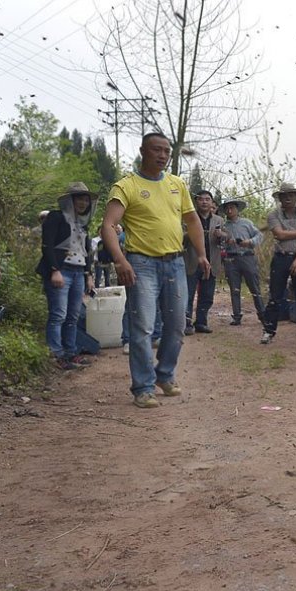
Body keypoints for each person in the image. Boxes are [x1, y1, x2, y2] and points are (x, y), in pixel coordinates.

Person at [100, 132, 211, 408]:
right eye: (156, 150)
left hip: (175, 262)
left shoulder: (177, 184)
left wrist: (202, 255)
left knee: (176, 326)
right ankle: (143, 387)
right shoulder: (126, 186)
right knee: (143, 327)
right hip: (141, 264)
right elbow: (108, 226)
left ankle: (165, 374)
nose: (162, 156)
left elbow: (193, 221)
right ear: (142, 151)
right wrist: (120, 260)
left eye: (166, 152)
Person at [35, 182, 99, 370]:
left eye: (86, 199)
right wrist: (55, 269)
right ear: (70, 200)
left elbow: (86, 251)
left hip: (78, 272)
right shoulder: (56, 217)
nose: (83, 202)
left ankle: (71, 353)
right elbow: (47, 245)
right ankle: (56, 354)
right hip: (61, 271)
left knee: (73, 315)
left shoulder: (82, 224)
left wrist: (89, 275)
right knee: (58, 314)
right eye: (79, 198)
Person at [260, 182, 296, 344]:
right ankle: (268, 331)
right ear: (279, 198)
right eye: (284, 195)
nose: (287, 198)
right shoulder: (273, 216)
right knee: (275, 296)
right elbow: (280, 234)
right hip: (280, 257)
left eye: (291, 195)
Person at [218, 198, 265, 326]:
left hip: (247, 257)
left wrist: (249, 242)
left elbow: (259, 235)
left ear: (237, 209)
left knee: (254, 287)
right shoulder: (223, 227)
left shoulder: (246, 223)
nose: (229, 210)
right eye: (227, 208)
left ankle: (262, 314)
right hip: (231, 259)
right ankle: (236, 316)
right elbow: (219, 245)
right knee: (234, 289)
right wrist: (225, 242)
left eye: (232, 207)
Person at [183, 190, 223, 334]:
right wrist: (193, 233)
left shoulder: (218, 220)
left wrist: (221, 235)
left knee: (207, 295)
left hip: (212, 262)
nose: (205, 202)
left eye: (208, 199)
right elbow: (180, 237)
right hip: (192, 261)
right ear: (196, 202)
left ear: (212, 203)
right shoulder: (187, 219)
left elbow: (226, 237)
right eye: (201, 199)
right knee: (187, 293)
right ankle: (186, 323)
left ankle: (201, 321)